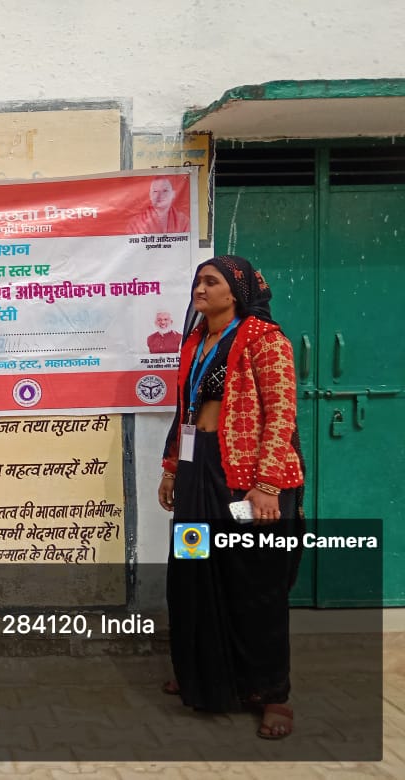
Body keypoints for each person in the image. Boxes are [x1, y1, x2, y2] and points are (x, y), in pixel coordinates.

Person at [157, 255, 305, 740]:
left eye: (210, 281)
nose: (199, 289)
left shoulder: (265, 340)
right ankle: (201, 673)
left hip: (243, 480)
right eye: (197, 281)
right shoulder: (196, 340)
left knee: (252, 582)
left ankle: (271, 695)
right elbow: (185, 409)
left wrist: (267, 485)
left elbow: (281, 414)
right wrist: (172, 469)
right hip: (197, 475)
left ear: (235, 292)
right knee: (193, 571)